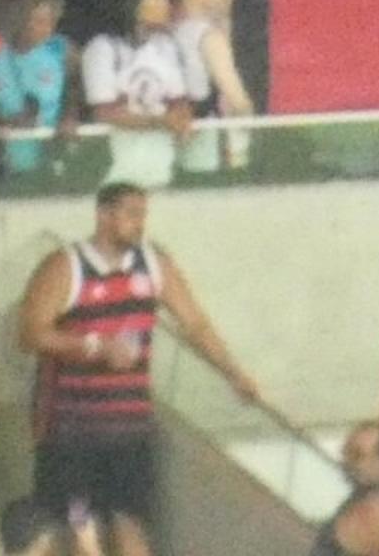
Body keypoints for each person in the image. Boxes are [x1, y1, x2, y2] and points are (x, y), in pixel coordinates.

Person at [17, 183, 262, 556]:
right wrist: (95, 346)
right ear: (104, 214)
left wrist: (233, 372)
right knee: (82, 534)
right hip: (73, 430)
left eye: (142, 215)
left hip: (131, 428)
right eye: (131, 214)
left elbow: (194, 323)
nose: (139, 224)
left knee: (132, 527)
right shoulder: (65, 266)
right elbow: (31, 333)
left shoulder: (153, 265)